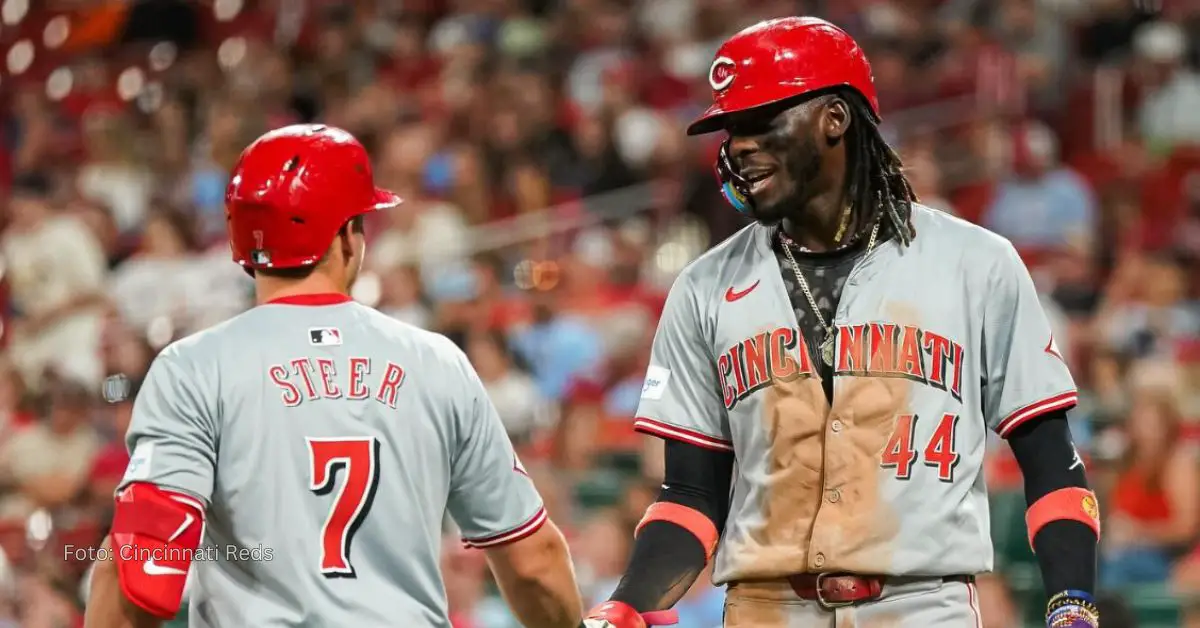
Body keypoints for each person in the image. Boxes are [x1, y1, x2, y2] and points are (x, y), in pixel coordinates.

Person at [583, 17, 1100, 628]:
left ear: (835, 117)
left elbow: (1051, 462)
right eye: (731, 129)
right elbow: (690, 497)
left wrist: (1073, 603)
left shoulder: (976, 263)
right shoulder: (702, 288)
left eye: (761, 120)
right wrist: (630, 605)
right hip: (764, 607)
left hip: (921, 604)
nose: (739, 144)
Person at [83, 124, 583, 628]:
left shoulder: (191, 367)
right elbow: (533, 562)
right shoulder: (437, 361)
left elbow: (142, 568)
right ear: (347, 234)